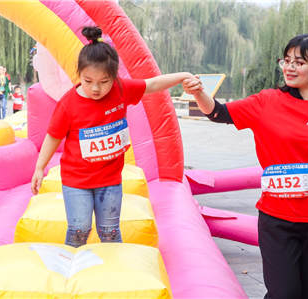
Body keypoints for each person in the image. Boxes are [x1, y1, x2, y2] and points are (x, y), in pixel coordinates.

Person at [183, 33, 308, 299]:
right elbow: (219, 113)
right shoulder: (267, 101)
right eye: (286, 61)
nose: (289, 67)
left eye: (299, 62)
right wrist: (198, 93)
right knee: (284, 293)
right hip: (278, 219)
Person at [31, 26, 193, 248]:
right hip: (77, 181)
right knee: (79, 229)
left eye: (104, 82)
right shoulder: (69, 104)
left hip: (110, 179)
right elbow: (53, 136)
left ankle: (115, 271)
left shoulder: (121, 89)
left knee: (109, 231)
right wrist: (40, 167)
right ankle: (70, 268)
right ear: (79, 75)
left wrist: (183, 76)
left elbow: (152, 84)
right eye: (88, 81)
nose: (96, 89)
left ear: (114, 77)